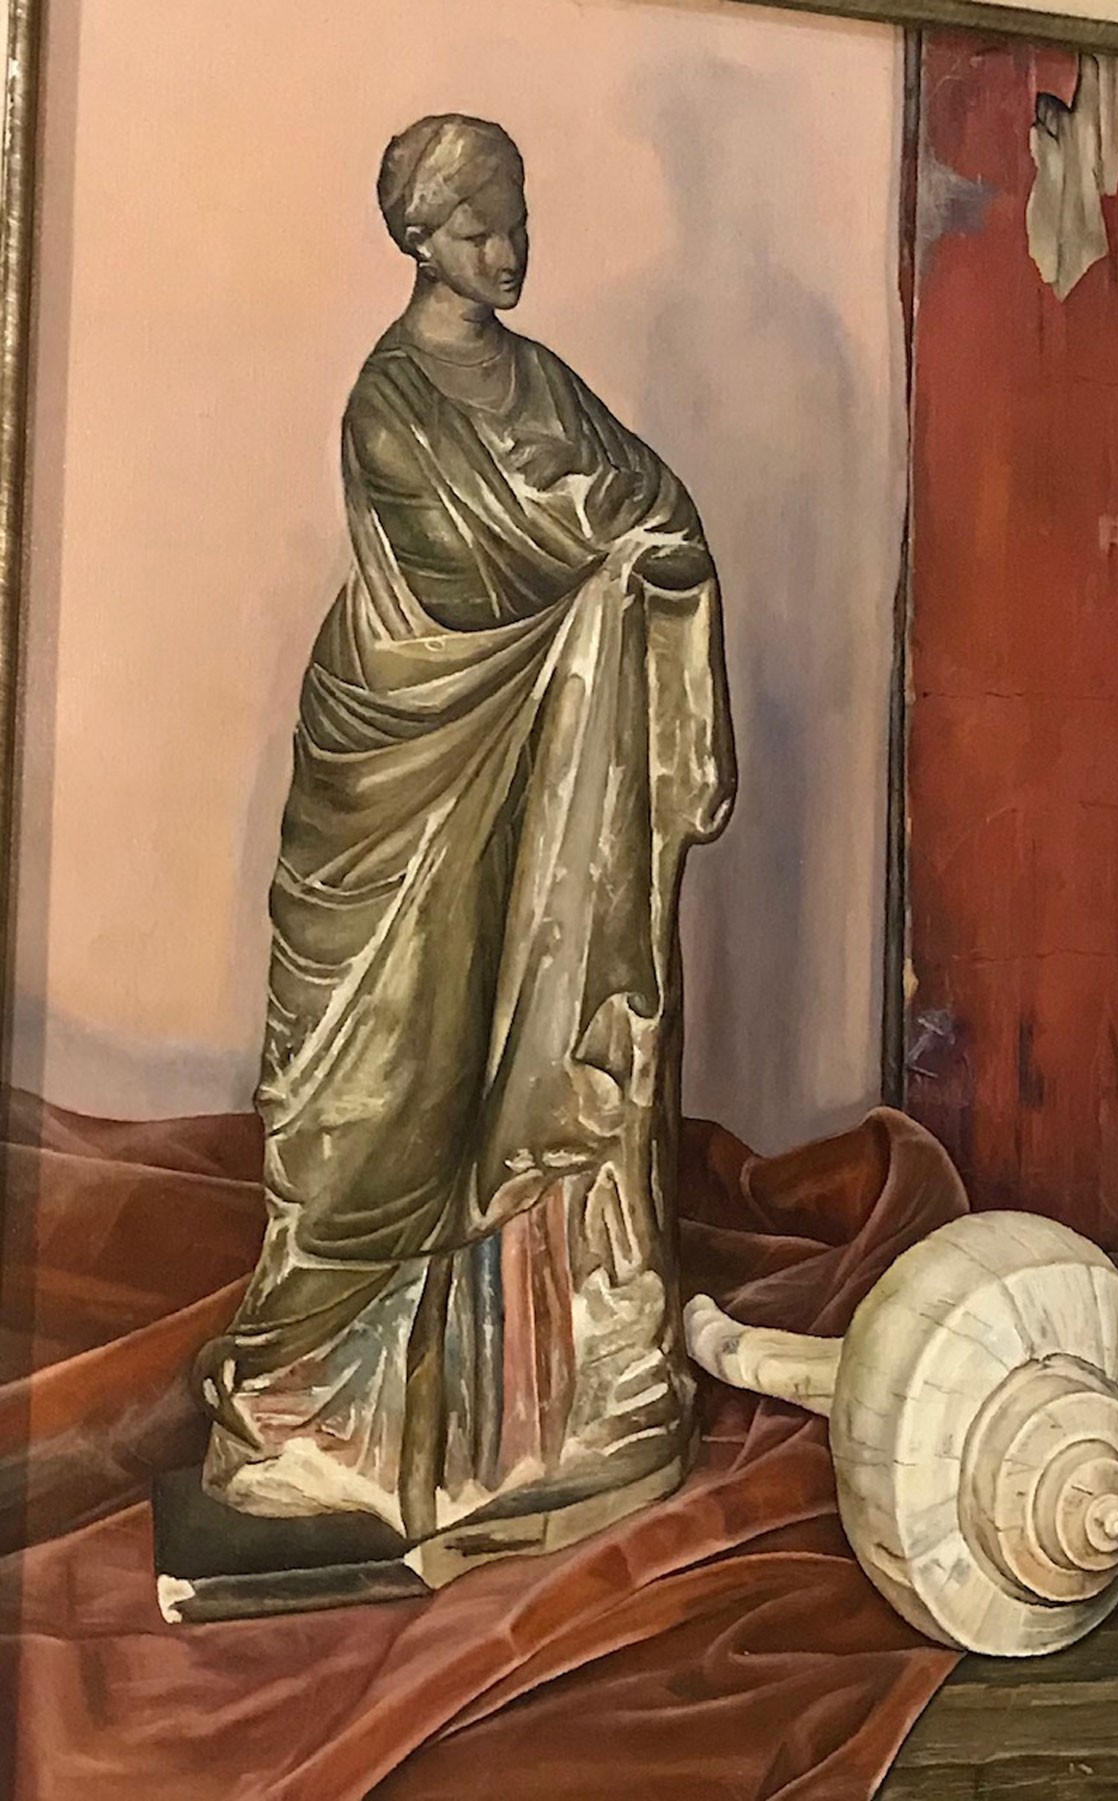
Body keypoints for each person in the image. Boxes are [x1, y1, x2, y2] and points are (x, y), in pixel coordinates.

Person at [194, 115, 736, 1581]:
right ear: (420, 239)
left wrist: (646, 559)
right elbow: (472, 572)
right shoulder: (387, 403)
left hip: (536, 784)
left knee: (529, 1056)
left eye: (518, 222)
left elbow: (651, 506)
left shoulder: (542, 381)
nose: (509, 250)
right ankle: (317, 1409)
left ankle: (524, 1410)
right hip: (397, 781)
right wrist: (606, 554)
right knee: (365, 1099)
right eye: (480, 228)